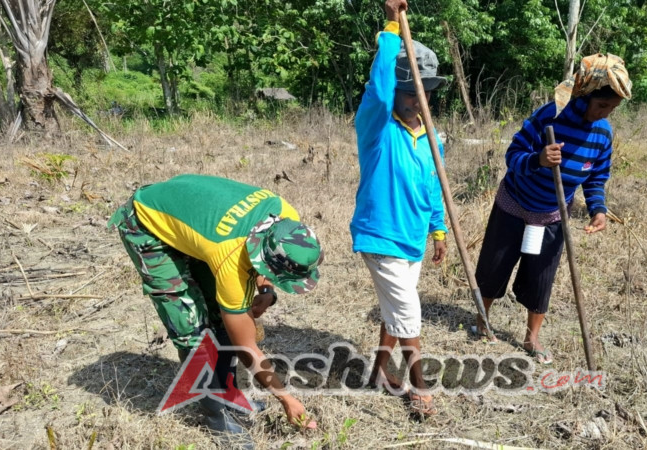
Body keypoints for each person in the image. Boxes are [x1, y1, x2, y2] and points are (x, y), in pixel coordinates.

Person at [108, 174, 322, 447]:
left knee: (220, 317)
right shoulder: (230, 257)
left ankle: (228, 394)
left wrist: (267, 291)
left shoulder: (285, 214)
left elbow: (263, 261)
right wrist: (287, 399)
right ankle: (216, 418)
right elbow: (246, 347)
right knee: (192, 330)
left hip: (195, 221)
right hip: (146, 225)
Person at [473, 54, 632, 364]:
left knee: (541, 274)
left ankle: (532, 337)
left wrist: (598, 209)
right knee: (495, 264)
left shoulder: (603, 133)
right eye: (601, 106)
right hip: (515, 203)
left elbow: (597, 176)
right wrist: (539, 159)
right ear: (584, 95)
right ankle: (482, 319)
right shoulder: (550, 116)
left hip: (551, 214)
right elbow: (513, 154)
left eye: (611, 109)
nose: (604, 114)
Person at [350, 0, 447, 417]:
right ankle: (420, 387)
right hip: (380, 235)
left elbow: (434, 188)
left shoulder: (432, 138)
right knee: (409, 312)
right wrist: (391, 26)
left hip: (412, 238)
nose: (415, 100)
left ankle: (376, 371)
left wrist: (438, 229)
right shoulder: (376, 126)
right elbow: (379, 84)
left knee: (396, 310)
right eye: (409, 92)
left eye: (422, 93)